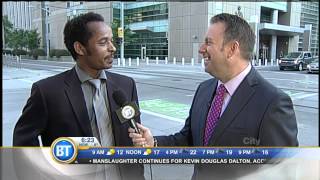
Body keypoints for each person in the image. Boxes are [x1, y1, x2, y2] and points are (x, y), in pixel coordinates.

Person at [128, 13, 298, 179]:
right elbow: (188, 138)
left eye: (208, 42)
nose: (201, 49)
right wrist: (153, 143)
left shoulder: (273, 102)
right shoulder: (204, 89)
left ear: (232, 49)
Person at [13, 12, 144, 180]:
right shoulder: (47, 92)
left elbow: (135, 134)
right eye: (103, 42)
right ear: (80, 48)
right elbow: (23, 144)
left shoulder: (126, 85)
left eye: (112, 41)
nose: (112, 48)